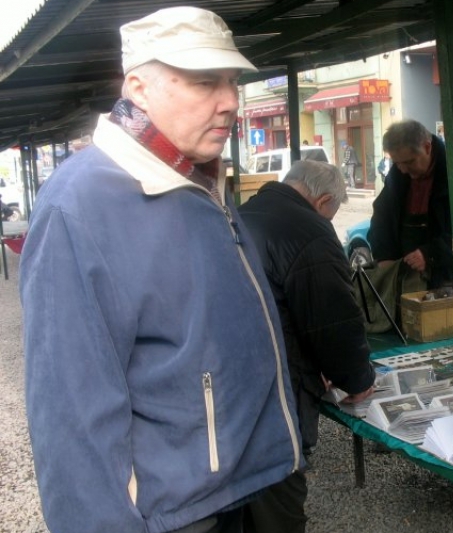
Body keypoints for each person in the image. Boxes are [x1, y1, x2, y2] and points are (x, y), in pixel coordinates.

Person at [19, 7, 303, 533]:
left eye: (233, 81)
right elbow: (70, 421)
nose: (231, 102)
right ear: (138, 88)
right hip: (175, 513)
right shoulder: (79, 207)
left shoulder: (196, 174)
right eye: (204, 82)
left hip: (243, 484)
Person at [238, 160, 375, 463]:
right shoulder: (311, 233)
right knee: (280, 488)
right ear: (324, 201)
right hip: (281, 392)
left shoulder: (242, 212)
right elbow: (334, 321)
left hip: (240, 379)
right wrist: (357, 380)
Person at [368, 119, 453, 311]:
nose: (403, 169)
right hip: (410, 285)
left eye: (409, 162)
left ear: (427, 147)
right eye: (397, 163)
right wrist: (384, 256)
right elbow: (381, 217)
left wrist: (431, 254)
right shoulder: (399, 175)